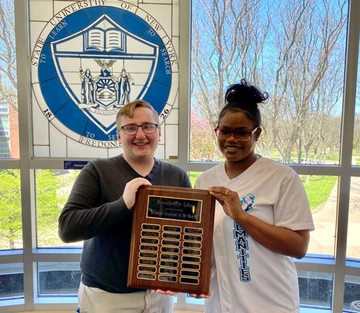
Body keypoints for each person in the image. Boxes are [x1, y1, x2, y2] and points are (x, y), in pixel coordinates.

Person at [58, 99, 191, 313]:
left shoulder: (177, 176)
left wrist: (183, 277)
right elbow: (68, 229)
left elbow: (187, 236)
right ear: (119, 135)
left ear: (159, 132)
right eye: (130, 128)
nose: (140, 135)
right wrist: (123, 204)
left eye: (148, 126)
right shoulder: (97, 171)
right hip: (106, 297)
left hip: (159, 296)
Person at [194, 79, 315, 313]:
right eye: (225, 131)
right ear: (216, 130)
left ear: (257, 134)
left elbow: (299, 247)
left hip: (270, 302)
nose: (231, 139)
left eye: (242, 133)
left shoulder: (281, 178)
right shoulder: (205, 181)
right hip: (222, 303)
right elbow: (204, 243)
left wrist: (242, 216)